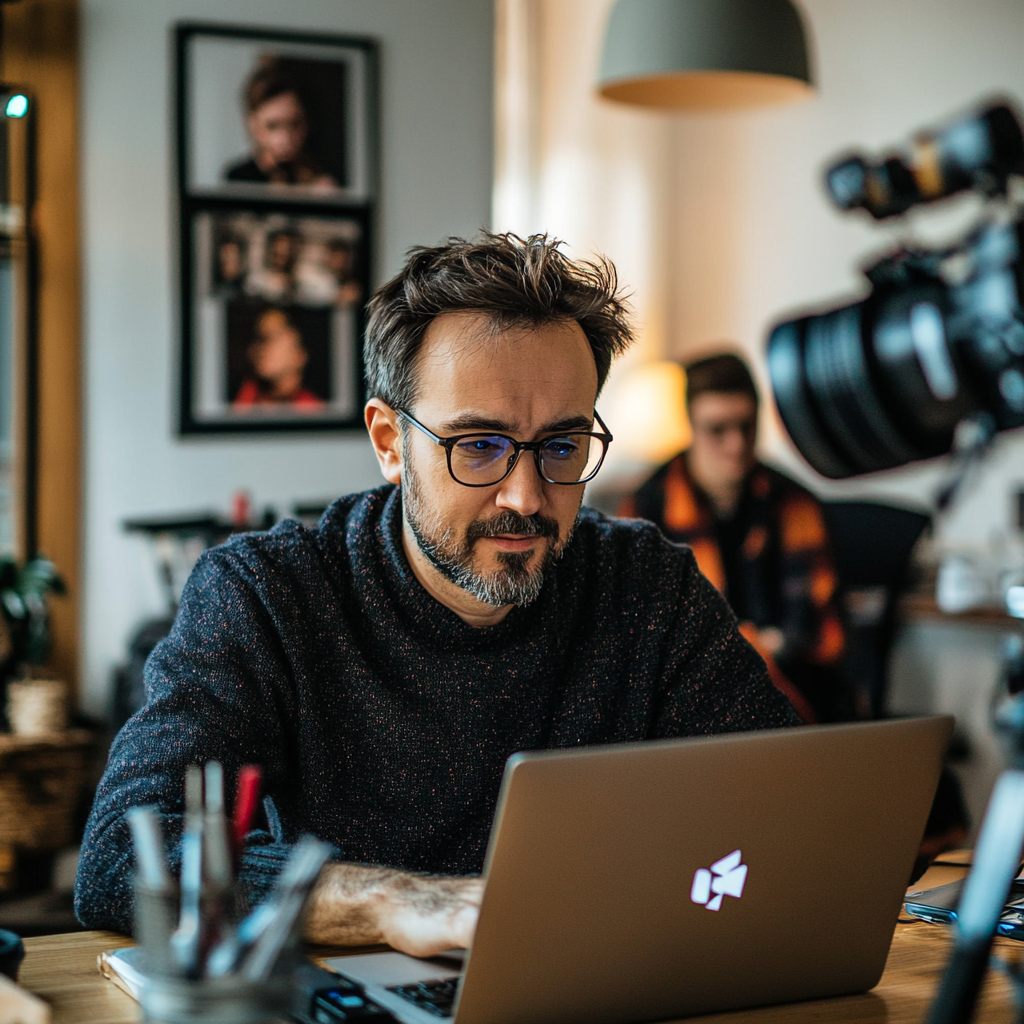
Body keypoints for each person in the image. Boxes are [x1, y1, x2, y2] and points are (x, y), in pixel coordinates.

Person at [76, 234, 799, 956]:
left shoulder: (647, 586)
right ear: (390, 442)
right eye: (478, 445)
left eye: (562, 446)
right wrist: (394, 902)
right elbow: (118, 857)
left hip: (599, 976)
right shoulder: (267, 595)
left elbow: (786, 804)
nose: (525, 496)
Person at [620, 353, 845, 722]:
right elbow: (637, 642)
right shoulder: (645, 511)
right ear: (691, 426)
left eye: (747, 426)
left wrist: (748, 648)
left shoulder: (797, 504)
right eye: (717, 429)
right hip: (686, 710)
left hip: (787, 700)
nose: (736, 444)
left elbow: (819, 635)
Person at [223, 60, 336, 190]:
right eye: (273, 126)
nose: (285, 137)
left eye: (295, 124)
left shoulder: (321, 176)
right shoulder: (238, 179)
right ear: (253, 125)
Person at [232, 306, 324, 409]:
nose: (259, 348)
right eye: (257, 338)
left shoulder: (315, 412)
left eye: (271, 336)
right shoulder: (237, 400)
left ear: (299, 354)